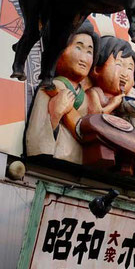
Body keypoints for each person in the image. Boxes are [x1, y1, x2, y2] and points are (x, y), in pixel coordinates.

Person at [25, 21, 99, 163]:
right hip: (55, 161)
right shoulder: (49, 88)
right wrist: (55, 114)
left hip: (80, 165)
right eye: (78, 48)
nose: (84, 58)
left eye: (90, 51)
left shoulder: (88, 96)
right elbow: (36, 135)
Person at [86, 36, 135, 115]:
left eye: (130, 69)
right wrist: (113, 104)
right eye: (118, 64)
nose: (124, 74)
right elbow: (95, 115)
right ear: (97, 70)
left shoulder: (130, 100)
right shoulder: (95, 93)